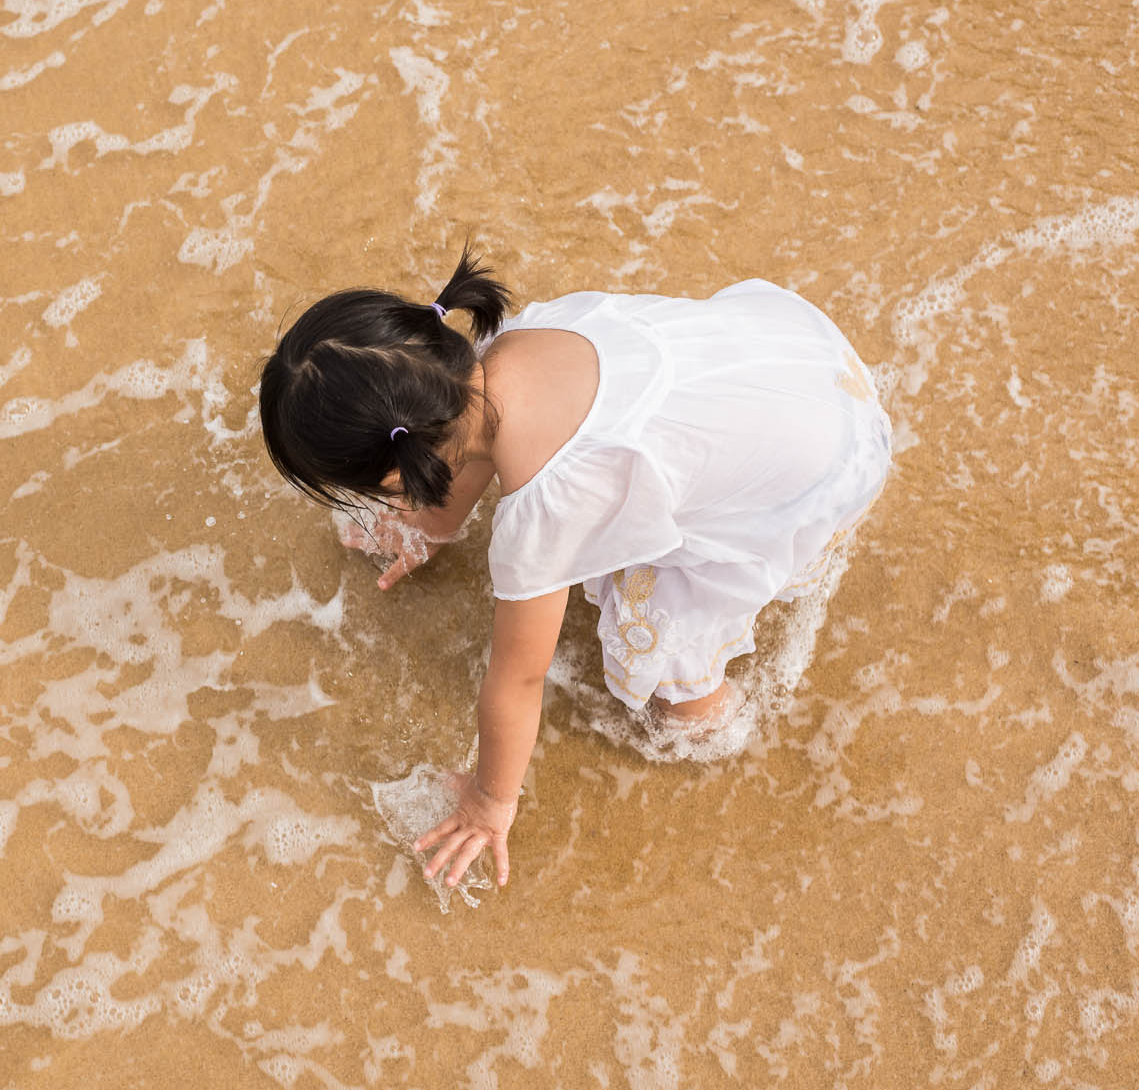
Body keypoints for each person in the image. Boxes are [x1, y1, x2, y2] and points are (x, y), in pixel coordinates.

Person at [257, 248, 892, 890]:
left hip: (817, 479)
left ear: (394, 476)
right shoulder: (520, 339)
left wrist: (488, 802)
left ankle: (719, 736)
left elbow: (519, 677)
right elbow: (475, 432)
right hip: (805, 370)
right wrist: (439, 522)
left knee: (662, 647)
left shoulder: (548, 505)